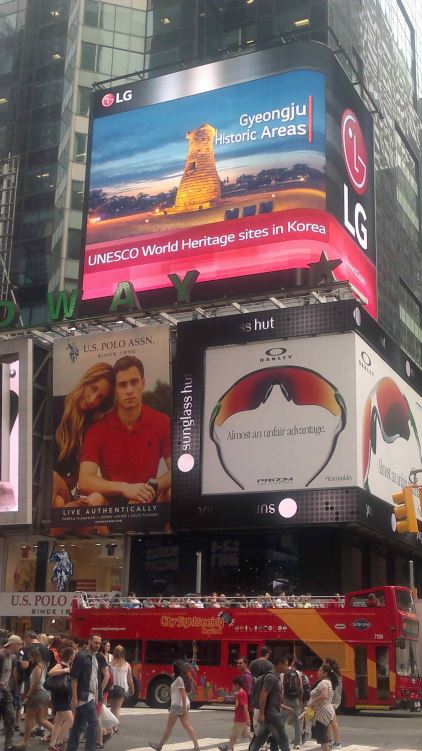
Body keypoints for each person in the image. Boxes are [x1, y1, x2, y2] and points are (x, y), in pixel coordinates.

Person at [79, 356, 171, 505]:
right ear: (115, 390)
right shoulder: (98, 428)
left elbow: (179, 470)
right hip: (112, 503)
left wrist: (147, 489)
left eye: (134, 382)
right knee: (94, 499)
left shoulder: (162, 422)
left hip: (149, 499)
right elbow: (84, 480)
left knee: (173, 492)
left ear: (143, 383)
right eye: (122, 385)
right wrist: (125, 488)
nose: (129, 390)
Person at [53, 363, 114, 507]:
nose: (92, 399)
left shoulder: (92, 426)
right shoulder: (54, 406)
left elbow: (78, 480)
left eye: (100, 398)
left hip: (63, 488)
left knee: (53, 479)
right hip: (45, 488)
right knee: (58, 502)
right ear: (86, 380)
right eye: (93, 388)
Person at [67, 633, 107, 751]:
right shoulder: (81, 656)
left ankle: (71, 748)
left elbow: (98, 677)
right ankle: (90, 748)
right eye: (95, 642)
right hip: (84, 695)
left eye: (99, 643)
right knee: (94, 722)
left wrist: (99, 694)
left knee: (78, 725)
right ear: (89, 641)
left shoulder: (96, 657)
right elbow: (74, 678)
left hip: (91, 695)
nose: (98, 645)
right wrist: (74, 697)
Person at [149, 660, 199, 751]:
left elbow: (183, 694)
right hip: (182, 705)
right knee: (187, 725)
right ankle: (196, 746)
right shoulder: (181, 678)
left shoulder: (179, 679)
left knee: (169, 727)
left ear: (175, 669)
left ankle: (159, 746)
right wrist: (184, 707)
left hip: (178, 706)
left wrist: (184, 708)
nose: (171, 668)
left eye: (173, 667)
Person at [248, 656, 291, 751]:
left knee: (261, 738)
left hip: (270, 713)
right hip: (272, 714)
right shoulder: (271, 677)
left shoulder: (274, 677)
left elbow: (272, 697)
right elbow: (263, 694)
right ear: (279, 664)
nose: (287, 667)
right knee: (283, 738)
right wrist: (261, 714)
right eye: (286, 665)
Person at [18, 648, 52, 749]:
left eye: (30, 657)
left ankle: (25, 741)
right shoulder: (43, 666)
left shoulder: (37, 667)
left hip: (38, 693)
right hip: (44, 693)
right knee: (41, 720)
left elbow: (35, 684)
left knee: (29, 718)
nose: (29, 659)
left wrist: (27, 696)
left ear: (34, 657)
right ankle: (57, 734)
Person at [306, 662, 338, 751]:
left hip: (322, 711)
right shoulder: (328, 682)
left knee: (322, 736)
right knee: (323, 734)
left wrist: (312, 702)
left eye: (320, 670)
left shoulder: (323, 683)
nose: (318, 672)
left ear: (325, 673)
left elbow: (324, 696)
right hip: (326, 710)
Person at [48, 645, 74, 751]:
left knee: (58, 721)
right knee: (70, 720)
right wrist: (64, 671)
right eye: (73, 654)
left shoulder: (68, 665)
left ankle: (52, 745)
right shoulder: (61, 665)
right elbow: (50, 672)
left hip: (64, 695)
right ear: (70, 655)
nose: (74, 656)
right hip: (59, 696)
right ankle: (59, 742)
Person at [0, 634, 23, 751]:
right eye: (19, 645)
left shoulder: (11, 656)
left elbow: (10, 673)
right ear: (13, 645)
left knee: (10, 717)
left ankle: (8, 745)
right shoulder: (2, 655)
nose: (20, 648)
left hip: (6, 691)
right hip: (2, 690)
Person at [218, 677, 252, 751]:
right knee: (246, 733)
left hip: (240, 718)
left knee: (234, 735)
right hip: (242, 718)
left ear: (237, 685)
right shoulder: (241, 692)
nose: (232, 686)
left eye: (233, 685)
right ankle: (259, 745)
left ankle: (230, 748)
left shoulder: (241, 693)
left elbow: (244, 707)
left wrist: (247, 719)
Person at [279, 657, 302, 750]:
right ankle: (297, 743)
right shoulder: (297, 672)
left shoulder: (282, 674)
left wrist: (281, 701)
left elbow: (282, 688)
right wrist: (300, 700)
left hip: (286, 699)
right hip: (296, 699)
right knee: (297, 721)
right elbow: (300, 687)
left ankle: (281, 741)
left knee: (282, 721)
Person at [109, 646, 134, 727]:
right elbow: (129, 678)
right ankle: (115, 726)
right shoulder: (127, 665)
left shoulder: (110, 664)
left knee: (112, 709)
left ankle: (110, 727)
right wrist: (132, 688)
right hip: (122, 688)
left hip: (112, 688)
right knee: (117, 709)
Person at [324, 657, 342, 749]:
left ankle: (337, 742)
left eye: (324, 663)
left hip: (333, 701)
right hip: (334, 700)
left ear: (328, 664)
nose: (322, 664)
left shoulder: (333, 675)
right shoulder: (335, 674)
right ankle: (330, 740)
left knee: (332, 721)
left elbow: (333, 689)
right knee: (329, 721)